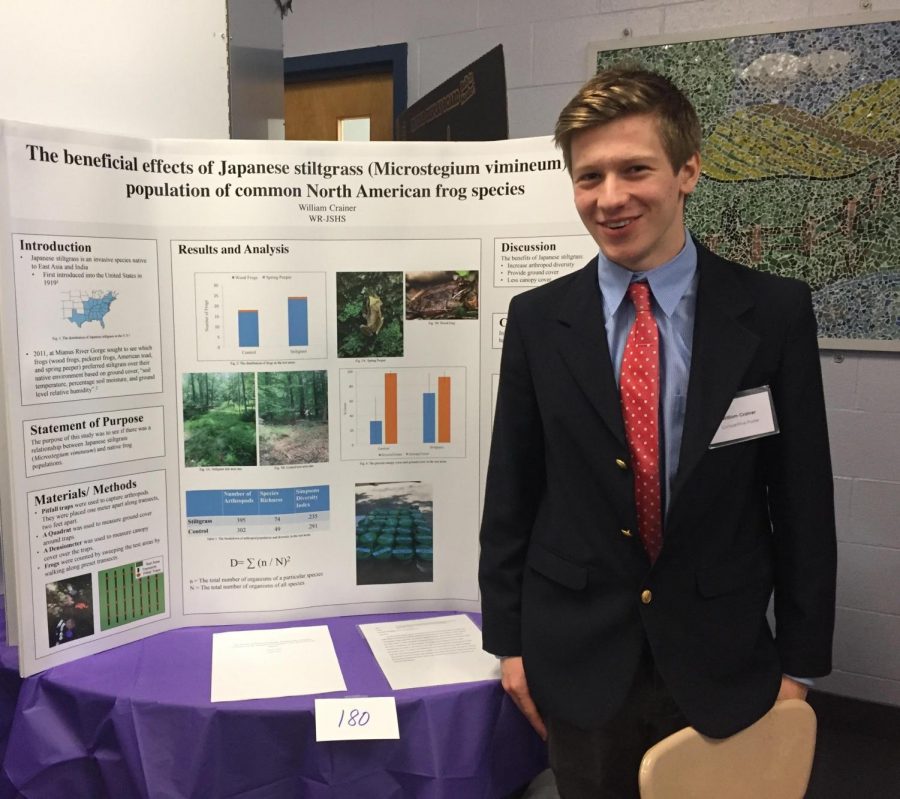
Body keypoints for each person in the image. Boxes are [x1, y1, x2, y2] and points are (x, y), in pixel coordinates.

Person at [478, 67, 836, 798]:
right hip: (578, 659)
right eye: (589, 176)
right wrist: (508, 643)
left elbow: (801, 498)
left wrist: (800, 664)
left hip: (722, 656)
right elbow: (512, 493)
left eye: (634, 168)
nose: (610, 198)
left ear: (688, 172)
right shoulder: (540, 321)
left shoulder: (770, 314)